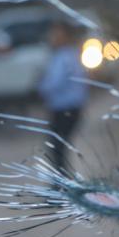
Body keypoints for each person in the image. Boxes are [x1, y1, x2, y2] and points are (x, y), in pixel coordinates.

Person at [37, 20, 88, 171]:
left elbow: (53, 84)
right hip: (70, 108)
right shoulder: (69, 55)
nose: (52, 37)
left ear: (65, 36)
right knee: (58, 149)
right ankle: (62, 185)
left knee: (58, 149)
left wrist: (40, 86)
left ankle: (61, 187)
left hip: (65, 110)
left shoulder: (64, 57)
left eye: (56, 33)